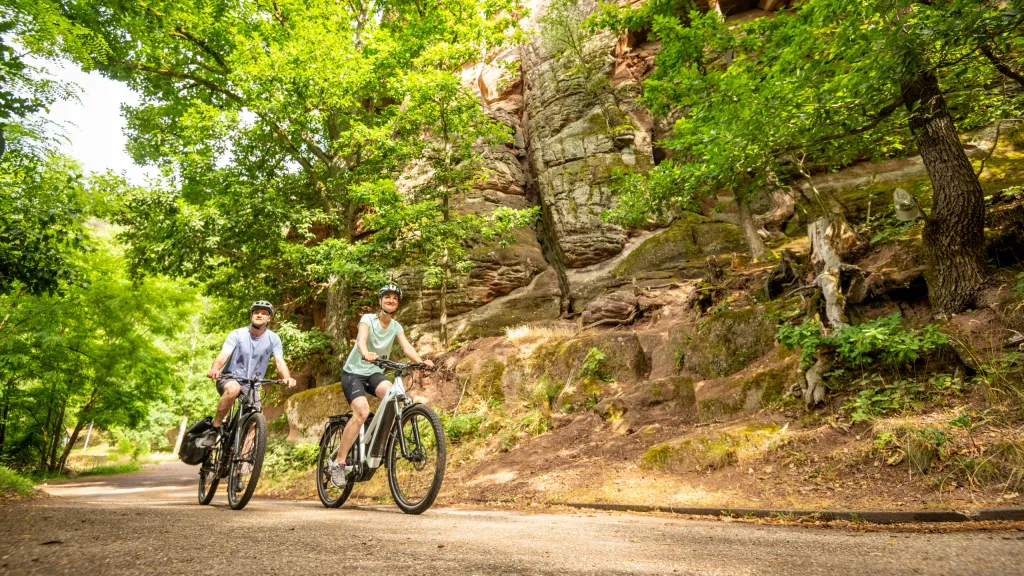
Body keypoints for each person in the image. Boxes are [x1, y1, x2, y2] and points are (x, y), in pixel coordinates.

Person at [328, 284, 433, 486]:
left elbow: (406, 346)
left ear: (397, 304)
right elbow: (361, 339)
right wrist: (366, 352)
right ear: (380, 301)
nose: (391, 300)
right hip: (354, 374)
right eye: (387, 297)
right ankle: (339, 464)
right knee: (362, 412)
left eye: (394, 298)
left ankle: (380, 444)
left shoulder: (396, 326)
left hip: (374, 373)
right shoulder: (368, 319)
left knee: (395, 397)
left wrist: (420, 361)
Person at [202, 300, 297, 447]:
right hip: (229, 378)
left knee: (255, 420)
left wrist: (287, 377)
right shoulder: (238, 334)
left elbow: (279, 361)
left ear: (269, 318)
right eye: (256, 312)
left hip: (251, 385)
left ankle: (242, 465)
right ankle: (215, 429)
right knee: (234, 389)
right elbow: (224, 354)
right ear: (252, 315)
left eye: (264, 313)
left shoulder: (273, 338)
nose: (259, 315)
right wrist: (215, 368)